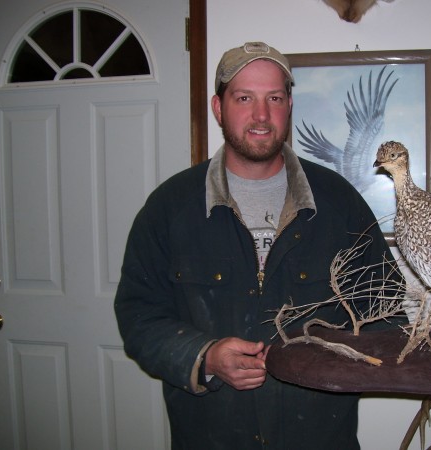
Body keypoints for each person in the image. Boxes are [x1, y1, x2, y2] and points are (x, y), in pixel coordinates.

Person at [114, 41, 402, 450]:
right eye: (244, 97)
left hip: (320, 438)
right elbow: (138, 315)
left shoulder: (340, 204)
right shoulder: (169, 208)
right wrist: (205, 356)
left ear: (288, 107)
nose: (261, 115)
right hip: (209, 437)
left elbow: (384, 308)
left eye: (275, 98)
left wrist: (415, 342)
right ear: (218, 107)